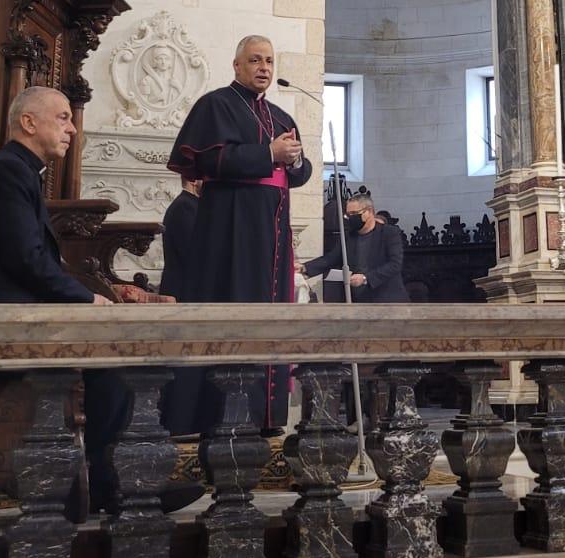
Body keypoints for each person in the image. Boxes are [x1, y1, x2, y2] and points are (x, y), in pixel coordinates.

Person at [0, 86, 199, 514]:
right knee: (115, 359)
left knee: (116, 355)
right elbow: (27, 261)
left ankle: (110, 479)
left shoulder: (17, 172)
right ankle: (108, 483)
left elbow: (30, 262)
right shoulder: (6, 173)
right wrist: (89, 300)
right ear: (28, 122)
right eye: (62, 118)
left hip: (6, 315)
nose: (72, 129)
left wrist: (99, 295)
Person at [167, 35, 313, 431]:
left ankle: (267, 419)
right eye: (254, 60)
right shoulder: (216, 105)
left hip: (275, 236)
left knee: (272, 316)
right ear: (236, 65)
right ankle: (225, 418)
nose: (263, 67)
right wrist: (269, 154)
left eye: (268, 60)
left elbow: (299, 172)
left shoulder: (282, 116)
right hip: (232, 230)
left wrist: (294, 162)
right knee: (234, 308)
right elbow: (206, 160)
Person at [155, 178, 206, 436]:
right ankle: (178, 422)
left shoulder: (190, 205)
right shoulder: (185, 207)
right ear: (195, 179)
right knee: (181, 362)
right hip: (182, 291)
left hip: (186, 290)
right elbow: (195, 253)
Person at [299, 192, 408, 303]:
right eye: (348, 215)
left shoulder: (389, 233)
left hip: (387, 300)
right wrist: (304, 267)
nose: (350, 218)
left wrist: (365, 278)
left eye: (354, 213)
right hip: (358, 301)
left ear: (369, 212)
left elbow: (395, 264)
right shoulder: (349, 236)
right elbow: (330, 258)